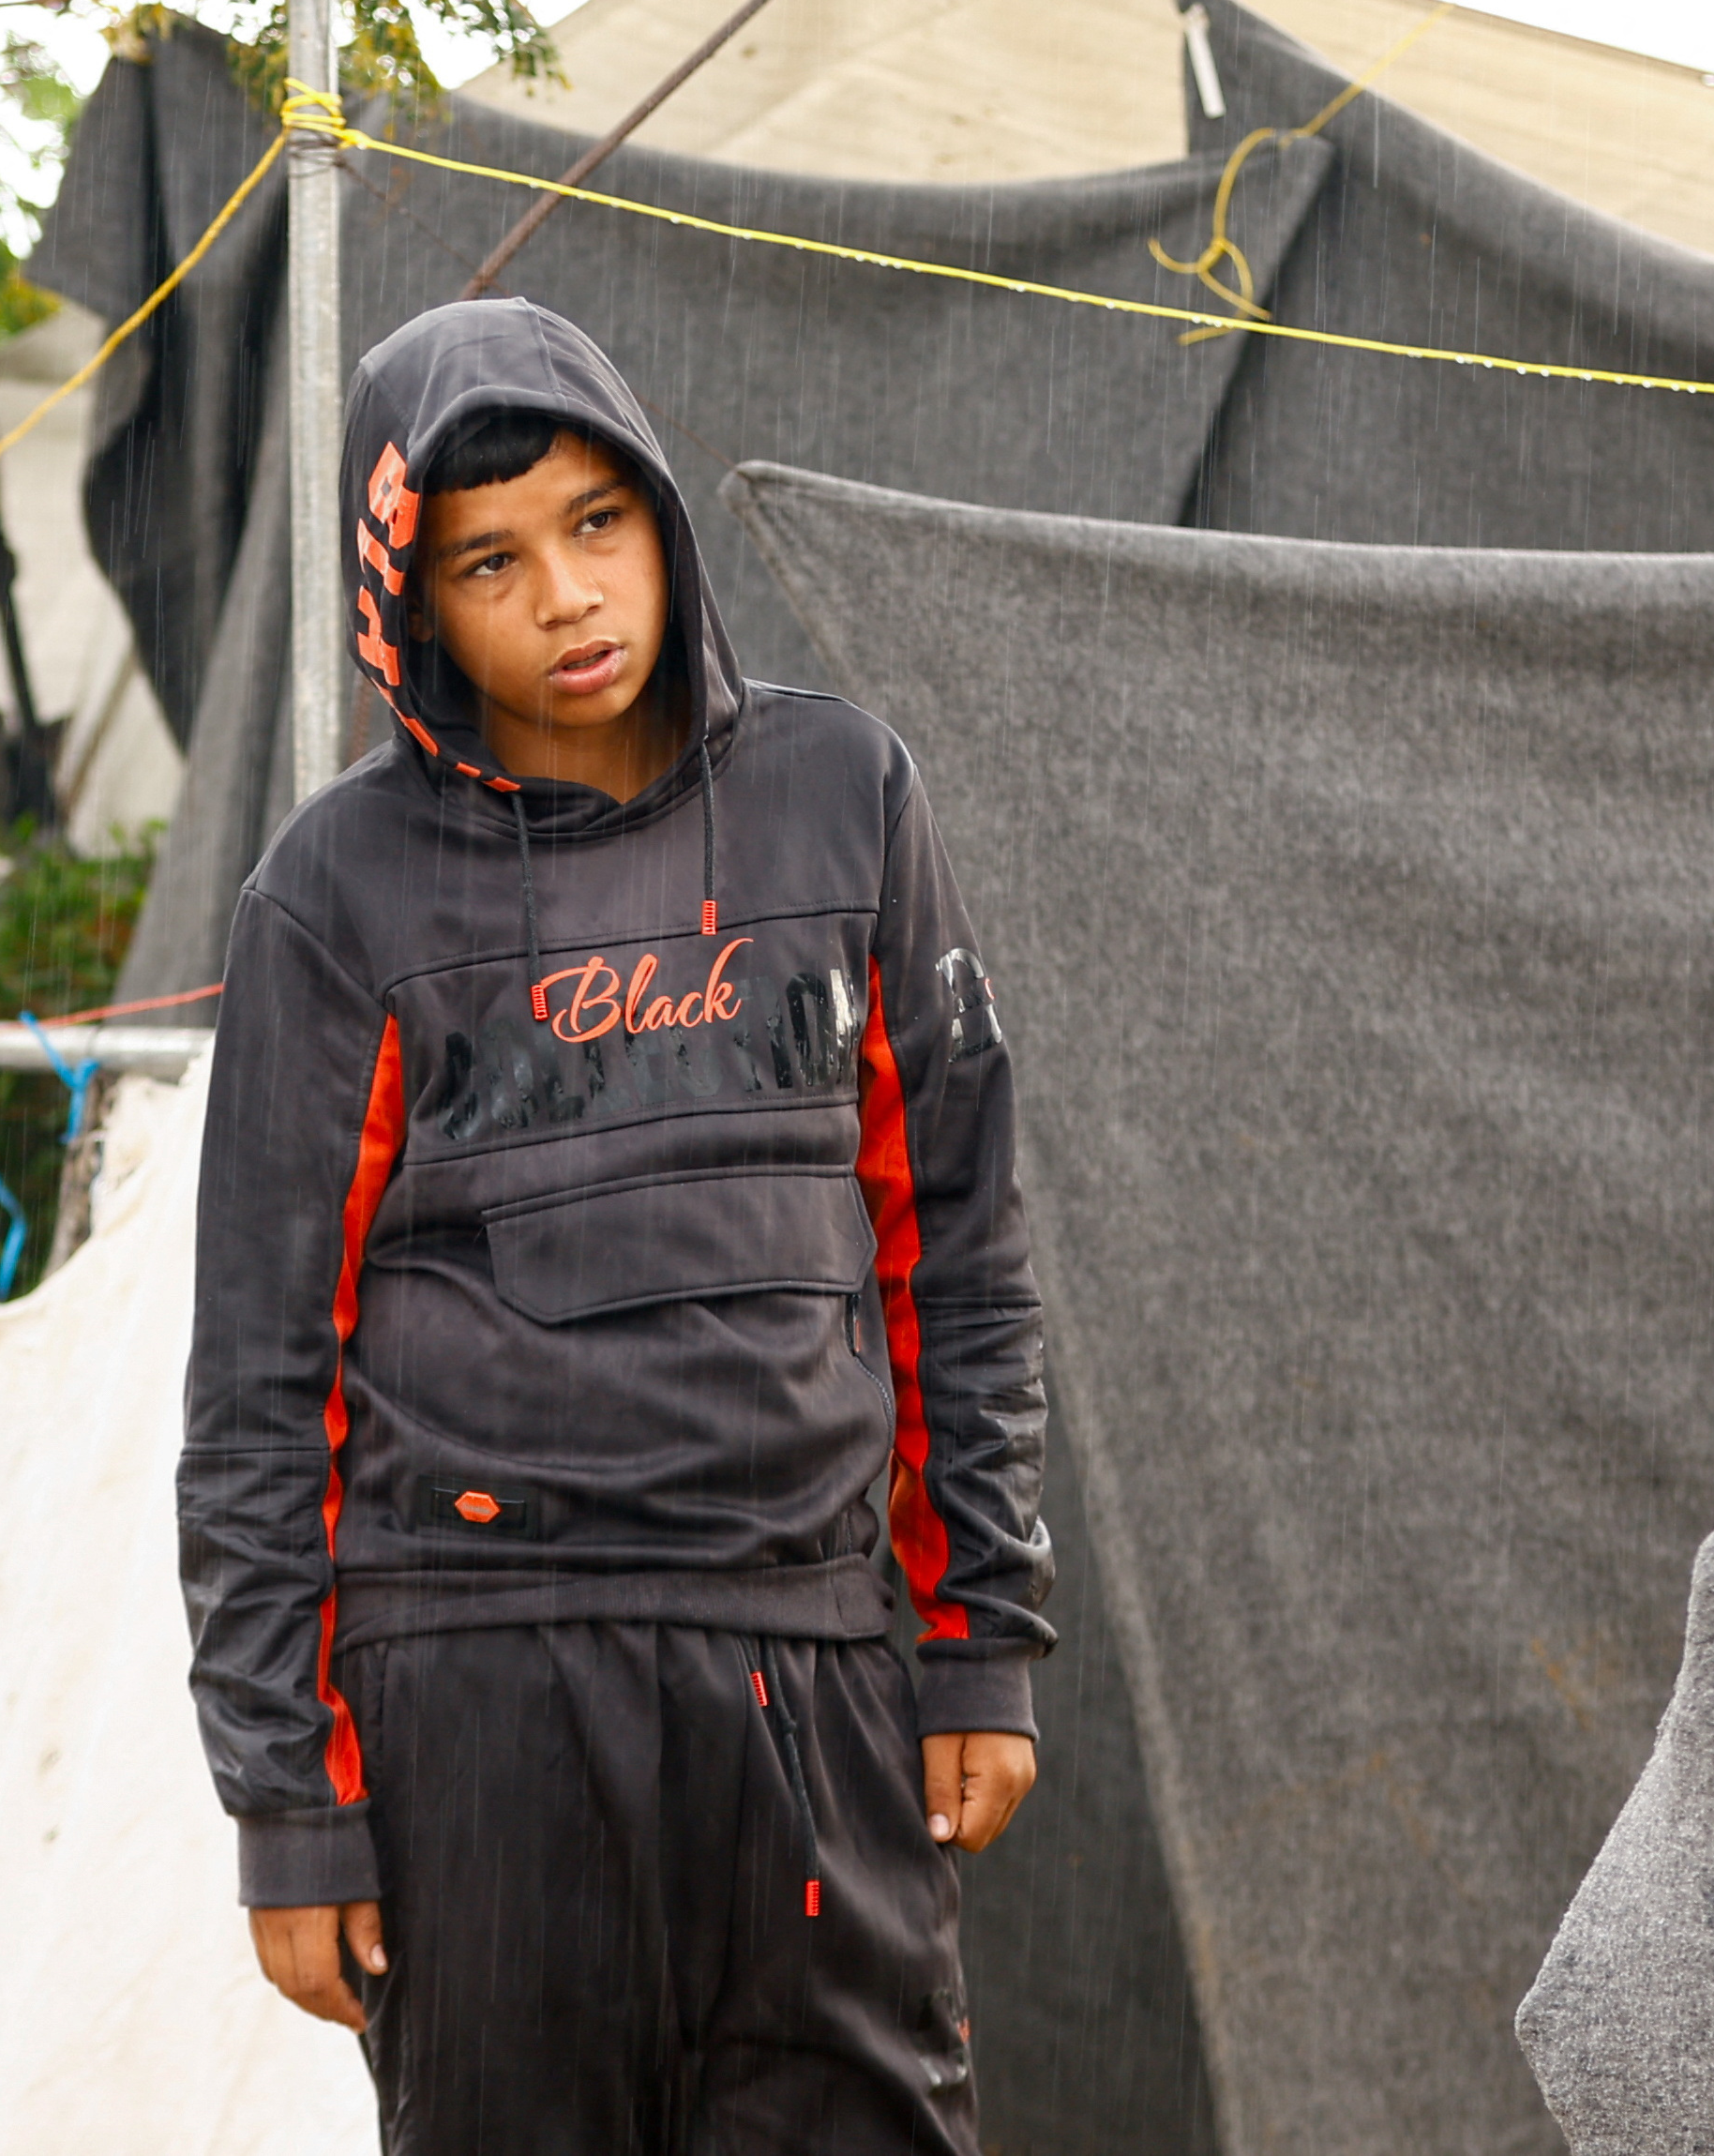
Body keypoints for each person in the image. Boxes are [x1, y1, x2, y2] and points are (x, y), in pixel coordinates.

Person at [177, 297, 1054, 2155]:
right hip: (478, 1696)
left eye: (596, 523)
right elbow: (259, 1385)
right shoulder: (334, 894)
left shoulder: (842, 798)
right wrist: (286, 1796)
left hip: (806, 1662)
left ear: (658, 513)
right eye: (489, 560)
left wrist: (978, 1632)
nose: (564, 596)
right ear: (413, 602)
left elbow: (954, 1249)